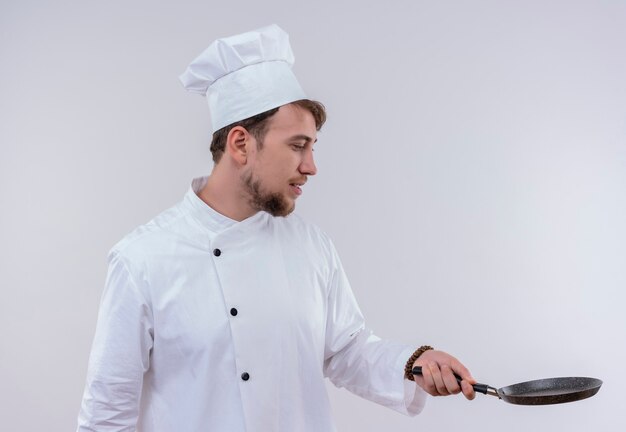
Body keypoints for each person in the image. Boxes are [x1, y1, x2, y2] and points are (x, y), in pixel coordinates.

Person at [77, 24, 477, 432]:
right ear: (240, 144)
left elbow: (345, 351)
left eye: (312, 147)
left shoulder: (311, 246)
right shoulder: (143, 258)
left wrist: (413, 363)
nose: (311, 166)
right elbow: (107, 414)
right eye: (297, 145)